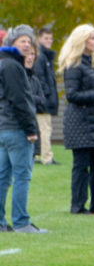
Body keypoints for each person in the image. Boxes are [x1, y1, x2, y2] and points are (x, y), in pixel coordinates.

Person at [59, 24, 94, 215]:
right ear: (82, 41)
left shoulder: (91, 65)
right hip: (80, 123)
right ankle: (78, 205)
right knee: (81, 166)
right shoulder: (74, 66)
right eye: (92, 38)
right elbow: (72, 95)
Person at [0, 24, 45, 233]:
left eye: (29, 41)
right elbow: (20, 101)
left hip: (3, 128)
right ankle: (21, 222)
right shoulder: (13, 67)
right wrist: (30, 129)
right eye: (22, 41)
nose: (27, 45)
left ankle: (1, 223)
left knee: (3, 177)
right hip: (15, 128)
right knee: (21, 175)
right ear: (11, 43)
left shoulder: (4, 63)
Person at [33, 27, 59, 165]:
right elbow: (40, 78)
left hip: (44, 99)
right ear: (39, 38)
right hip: (43, 101)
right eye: (46, 38)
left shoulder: (45, 56)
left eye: (50, 38)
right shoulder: (41, 57)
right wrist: (46, 95)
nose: (49, 41)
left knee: (40, 128)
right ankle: (46, 157)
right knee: (45, 128)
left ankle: (36, 155)